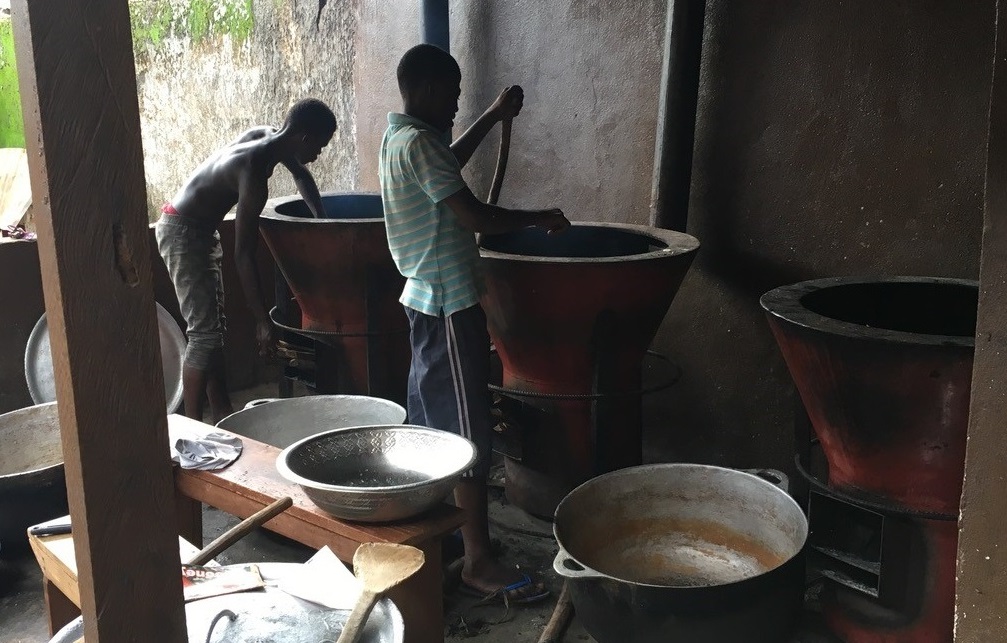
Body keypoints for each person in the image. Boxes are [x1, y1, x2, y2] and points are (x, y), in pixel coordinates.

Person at [379, 44, 570, 605]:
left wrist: (490, 115)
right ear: (432, 89)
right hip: (448, 305)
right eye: (457, 95)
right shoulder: (420, 144)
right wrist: (540, 219)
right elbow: (475, 216)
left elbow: (449, 160)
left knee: (432, 430)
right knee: (466, 440)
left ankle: (437, 541)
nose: (458, 105)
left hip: (422, 300)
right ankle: (478, 561)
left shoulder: (403, 139)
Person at [156, 98, 337, 424]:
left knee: (213, 332)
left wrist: (323, 223)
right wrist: (262, 322)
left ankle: (223, 413)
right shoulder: (253, 172)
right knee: (203, 336)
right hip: (182, 232)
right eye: (320, 147)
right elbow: (244, 254)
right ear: (304, 138)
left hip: (198, 228)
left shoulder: (266, 136)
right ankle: (190, 431)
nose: (318, 155)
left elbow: (302, 175)